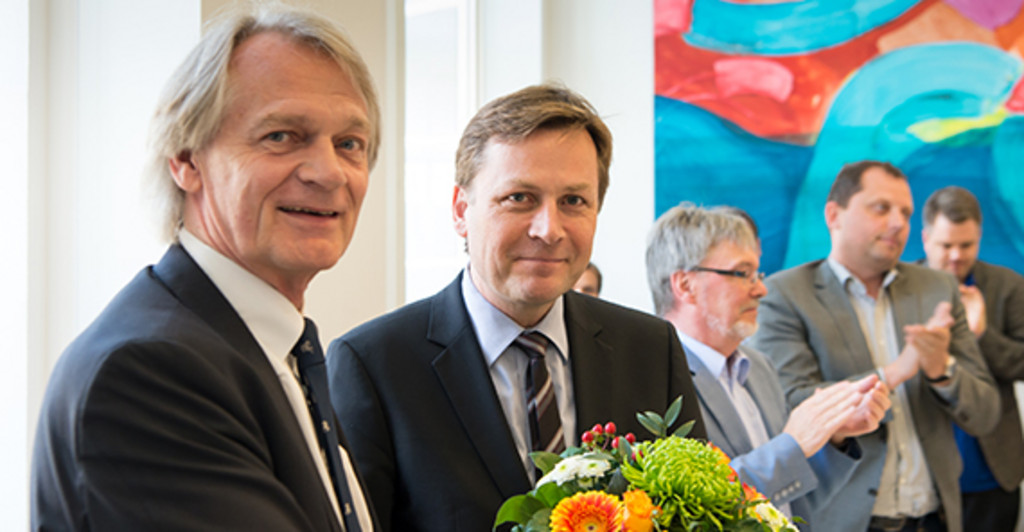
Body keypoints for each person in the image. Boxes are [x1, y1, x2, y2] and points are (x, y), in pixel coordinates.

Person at [31, 5, 380, 530]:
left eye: (349, 144)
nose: (329, 173)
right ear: (186, 160)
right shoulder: (148, 372)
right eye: (282, 136)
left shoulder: (276, 353)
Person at [325, 84, 707, 532]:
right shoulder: (374, 365)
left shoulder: (650, 348)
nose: (549, 229)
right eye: (519, 198)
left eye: (573, 201)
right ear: (460, 210)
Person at [749, 161, 999, 532]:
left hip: (936, 518)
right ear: (834, 215)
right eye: (881, 208)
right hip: (844, 521)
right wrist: (894, 372)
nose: (898, 223)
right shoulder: (784, 296)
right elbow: (792, 405)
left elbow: (986, 414)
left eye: (906, 213)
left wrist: (942, 370)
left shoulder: (938, 288)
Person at [646, 203, 890, 529]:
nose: (761, 289)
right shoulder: (653, 377)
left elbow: (792, 501)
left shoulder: (759, 367)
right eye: (741, 273)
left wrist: (832, 436)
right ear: (685, 285)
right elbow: (689, 511)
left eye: (757, 274)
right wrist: (792, 445)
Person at [921, 186, 1024, 531]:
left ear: (979, 237)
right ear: (925, 239)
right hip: (923, 474)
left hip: (991, 470)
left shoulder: (1008, 285)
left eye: (966, 245)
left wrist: (982, 334)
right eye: (946, 245)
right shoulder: (899, 288)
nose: (956, 256)